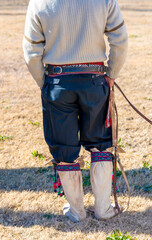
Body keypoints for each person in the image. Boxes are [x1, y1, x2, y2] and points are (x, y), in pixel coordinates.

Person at [23, 0, 128, 222]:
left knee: (64, 148)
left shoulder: (39, 2)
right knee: (101, 143)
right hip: (94, 80)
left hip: (57, 82)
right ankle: (103, 209)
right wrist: (112, 73)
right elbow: (120, 39)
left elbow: (31, 50)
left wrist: (45, 83)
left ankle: (77, 212)